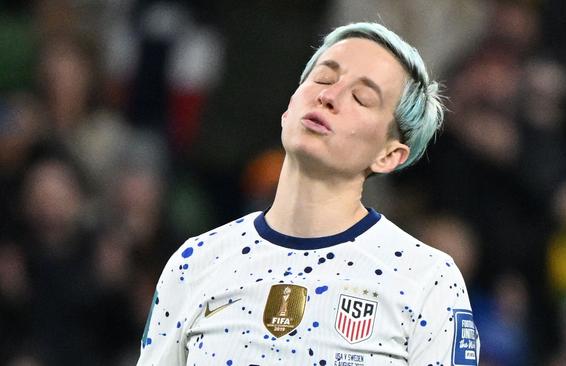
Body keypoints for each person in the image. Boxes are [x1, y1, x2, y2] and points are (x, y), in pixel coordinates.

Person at [137, 22, 479, 366]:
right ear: (289, 108)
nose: (328, 97)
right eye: (324, 78)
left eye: (361, 98)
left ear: (389, 155)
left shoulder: (425, 279)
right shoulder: (196, 262)